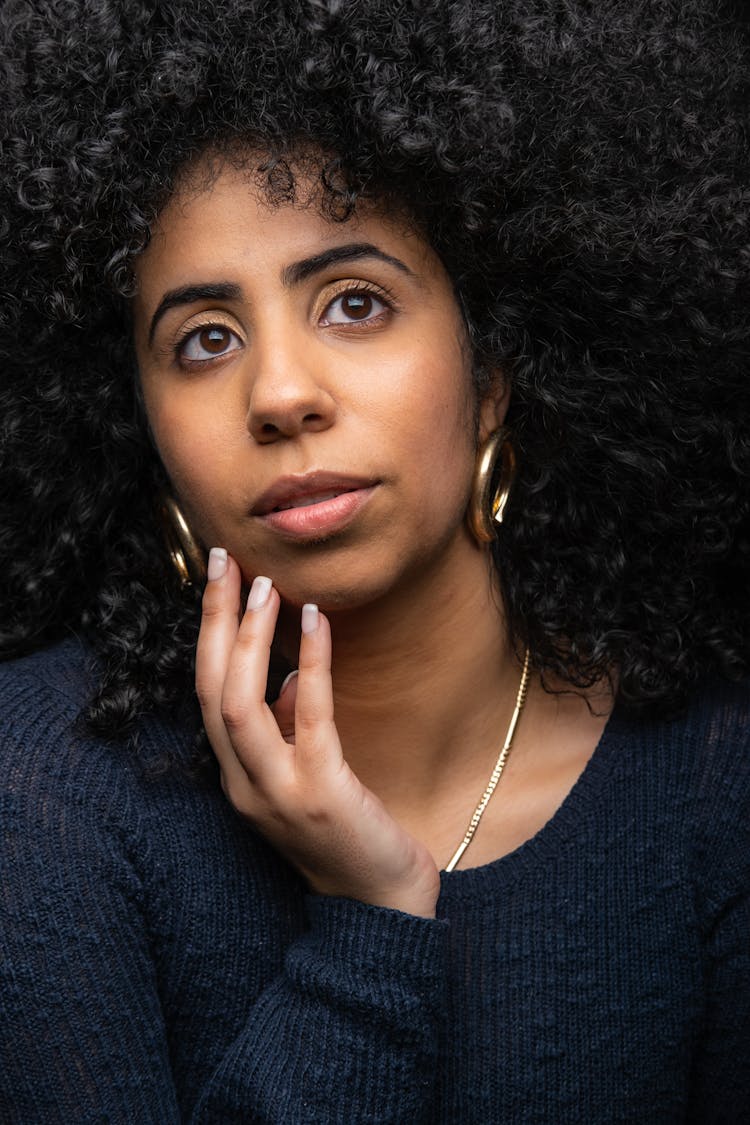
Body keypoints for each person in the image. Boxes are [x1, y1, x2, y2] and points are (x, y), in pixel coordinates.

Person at [1, 0, 748, 1121]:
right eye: (204, 338)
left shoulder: (710, 786)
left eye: (355, 303)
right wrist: (372, 927)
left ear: (494, 374)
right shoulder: (44, 788)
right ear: (140, 431)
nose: (283, 394)